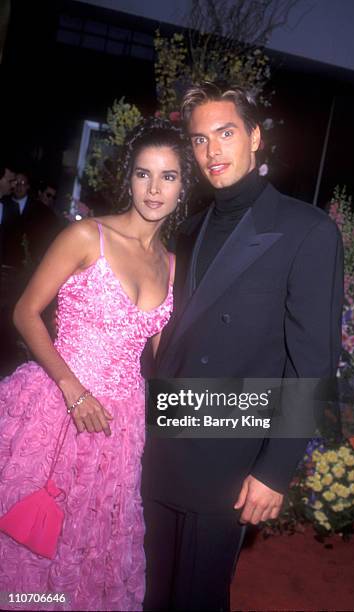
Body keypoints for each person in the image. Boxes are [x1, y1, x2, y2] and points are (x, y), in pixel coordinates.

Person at [142, 82, 344, 611]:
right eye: (201, 139)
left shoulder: (308, 230)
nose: (213, 151)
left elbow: (312, 363)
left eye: (226, 133)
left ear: (254, 137)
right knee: (150, 591)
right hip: (167, 441)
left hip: (231, 453)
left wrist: (275, 470)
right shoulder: (187, 231)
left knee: (198, 598)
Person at [0, 118, 193, 611]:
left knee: (87, 553)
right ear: (128, 178)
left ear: (183, 187)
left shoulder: (170, 265)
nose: (154, 189)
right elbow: (25, 311)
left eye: (168, 177)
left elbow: (159, 355)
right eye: (144, 174)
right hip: (57, 408)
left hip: (119, 429)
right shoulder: (89, 236)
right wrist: (73, 389)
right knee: (29, 543)